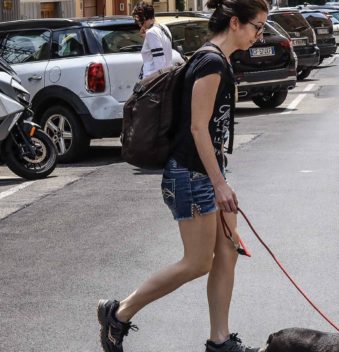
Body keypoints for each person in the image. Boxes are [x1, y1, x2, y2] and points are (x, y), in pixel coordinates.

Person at [97, 0, 269, 351]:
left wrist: (221, 177)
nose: (259, 35)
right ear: (235, 23)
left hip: (206, 171)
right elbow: (197, 128)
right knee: (196, 263)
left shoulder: (216, 59)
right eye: (257, 27)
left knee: (228, 250)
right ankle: (119, 313)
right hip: (191, 176)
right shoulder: (210, 62)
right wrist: (219, 184)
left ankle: (219, 341)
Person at [132, 1, 174, 79]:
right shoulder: (164, 28)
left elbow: (160, 63)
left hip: (153, 82)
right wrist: (146, 38)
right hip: (165, 79)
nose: (139, 24)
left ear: (144, 17)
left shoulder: (152, 33)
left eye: (139, 20)